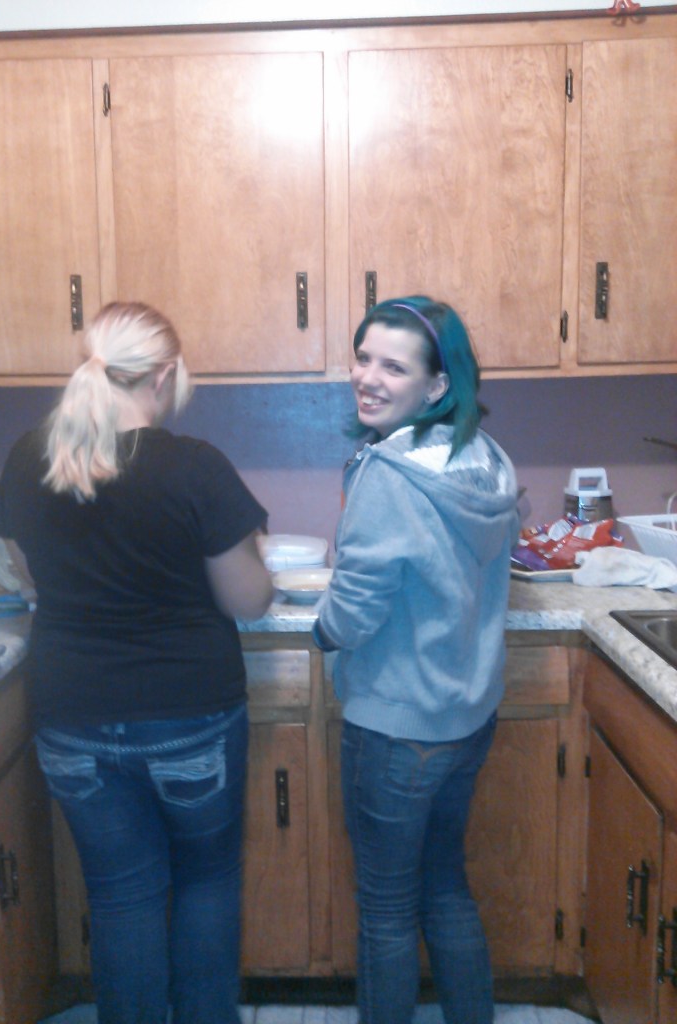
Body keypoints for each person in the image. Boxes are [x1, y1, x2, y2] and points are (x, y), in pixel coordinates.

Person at [0, 301, 273, 1024]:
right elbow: (248, 600)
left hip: (72, 715)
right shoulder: (195, 467)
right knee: (205, 884)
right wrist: (258, 561)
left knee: (121, 898)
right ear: (165, 375)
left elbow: (28, 573)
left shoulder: (29, 458)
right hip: (189, 716)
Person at [312, 296, 519, 1024]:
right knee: (445, 889)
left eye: (393, 367)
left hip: (396, 726)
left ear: (437, 385)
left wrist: (323, 632)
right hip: (467, 718)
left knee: (387, 911)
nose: (367, 377)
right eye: (363, 357)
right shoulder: (485, 459)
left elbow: (354, 610)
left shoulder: (390, 474)